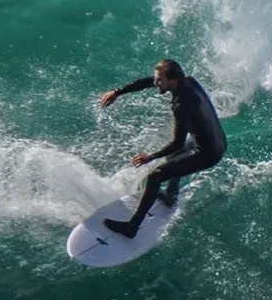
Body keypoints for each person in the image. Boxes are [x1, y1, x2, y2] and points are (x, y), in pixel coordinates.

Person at [95, 58, 226, 239]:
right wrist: (118, 92)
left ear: (172, 81)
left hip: (208, 152)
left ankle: (132, 227)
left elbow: (177, 143)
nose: (155, 83)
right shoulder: (188, 81)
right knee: (172, 160)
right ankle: (171, 197)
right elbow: (148, 82)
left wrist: (150, 156)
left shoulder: (181, 105)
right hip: (215, 139)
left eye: (159, 80)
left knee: (155, 176)